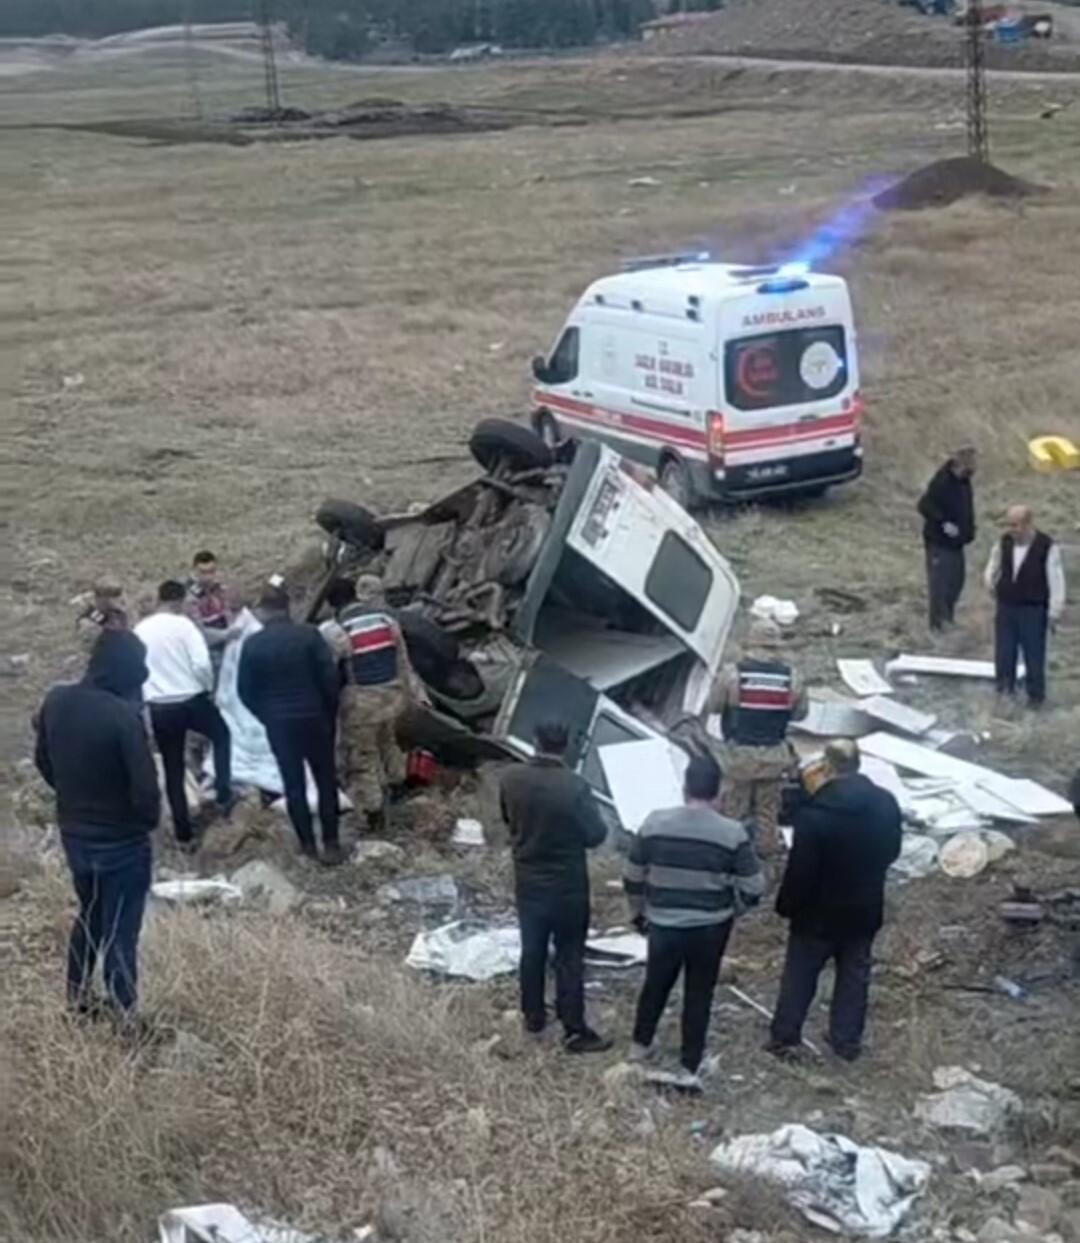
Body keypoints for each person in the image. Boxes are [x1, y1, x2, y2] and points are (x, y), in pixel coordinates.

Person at [34, 631, 160, 1020]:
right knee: (122, 929)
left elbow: (44, 762)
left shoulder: (56, 701)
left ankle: (76, 999)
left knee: (90, 914)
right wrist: (144, 822)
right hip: (121, 840)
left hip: (75, 834)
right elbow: (145, 789)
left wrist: (71, 796)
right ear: (125, 669)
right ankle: (125, 1018)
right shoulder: (124, 717)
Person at [624, 753, 764, 1090]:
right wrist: (735, 910)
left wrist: (638, 912)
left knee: (655, 985)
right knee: (698, 993)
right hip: (710, 926)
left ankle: (639, 1048)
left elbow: (632, 875)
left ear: (684, 787)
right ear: (718, 792)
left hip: (663, 922)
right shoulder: (732, 833)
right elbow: (755, 886)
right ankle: (689, 1063)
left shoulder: (654, 823)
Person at [768, 739, 902, 1063]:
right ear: (858, 764)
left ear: (827, 767)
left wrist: (786, 905)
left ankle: (786, 1036)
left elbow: (800, 871)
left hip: (817, 912)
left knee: (800, 974)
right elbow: (893, 851)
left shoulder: (815, 816)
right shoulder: (885, 803)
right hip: (864, 906)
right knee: (854, 976)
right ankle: (846, 1040)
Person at [499, 720, 612, 1054]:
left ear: (534, 741)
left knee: (532, 949)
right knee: (569, 954)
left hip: (529, 880)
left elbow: (508, 820)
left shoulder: (511, 778)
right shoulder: (574, 786)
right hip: (568, 884)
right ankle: (574, 1028)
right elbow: (596, 836)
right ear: (566, 747)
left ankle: (532, 1016)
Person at [238, 587, 342, 864]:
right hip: (315, 717)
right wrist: (329, 714)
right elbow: (329, 679)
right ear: (288, 608)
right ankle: (331, 844)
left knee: (293, 784)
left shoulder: (253, 644)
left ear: (264, 611)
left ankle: (307, 846)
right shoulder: (309, 635)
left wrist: (268, 715)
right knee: (326, 781)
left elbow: (245, 691)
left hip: (280, 723)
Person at [135, 580, 233, 850]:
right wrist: (206, 686)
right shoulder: (185, 626)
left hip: (160, 706)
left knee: (173, 767)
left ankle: (184, 835)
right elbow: (201, 663)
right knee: (222, 736)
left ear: (159, 598)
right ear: (178, 601)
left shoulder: (141, 629)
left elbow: (137, 668)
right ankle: (224, 796)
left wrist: (149, 695)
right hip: (191, 699)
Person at [709, 618, 807, 855]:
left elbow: (714, 707)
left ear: (750, 643)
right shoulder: (792, 677)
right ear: (777, 645)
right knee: (767, 815)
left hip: (739, 756)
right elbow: (800, 714)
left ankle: (730, 856)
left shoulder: (732, 674)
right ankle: (767, 864)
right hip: (774, 755)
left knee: (733, 813)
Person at [337, 574, 424, 832]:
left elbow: (336, 668)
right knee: (388, 742)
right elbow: (403, 662)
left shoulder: (341, 629)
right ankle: (398, 786)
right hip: (392, 697)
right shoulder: (388, 621)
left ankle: (375, 815)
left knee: (363, 758)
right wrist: (412, 694)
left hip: (362, 704)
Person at [984, 505, 1065, 708]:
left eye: (1016, 525)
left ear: (1028, 523)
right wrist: (990, 583)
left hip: (1033, 609)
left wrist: (1055, 610)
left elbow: (1056, 580)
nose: (1011, 529)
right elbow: (993, 566)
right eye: (1009, 524)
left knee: (1034, 655)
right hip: (1007, 606)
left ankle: (1036, 698)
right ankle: (1004, 692)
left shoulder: (1047, 546)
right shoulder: (1004, 543)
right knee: (1004, 653)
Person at [917, 447, 977, 631]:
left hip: (957, 543)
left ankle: (948, 619)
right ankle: (937, 625)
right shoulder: (942, 482)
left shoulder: (964, 483)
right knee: (940, 585)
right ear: (960, 464)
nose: (974, 469)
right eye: (971, 464)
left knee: (956, 583)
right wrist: (943, 523)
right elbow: (924, 505)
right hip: (939, 543)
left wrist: (968, 530)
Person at [186, 549, 232, 679]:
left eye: (212, 572)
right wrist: (227, 634)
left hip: (225, 643)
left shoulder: (220, 589)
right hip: (205, 649)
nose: (208, 577)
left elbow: (228, 613)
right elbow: (198, 632)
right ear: (194, 571)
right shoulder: (190, 597)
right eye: (203, 572)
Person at [75, 576, 129, 652]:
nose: (119, 599)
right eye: (114, 596)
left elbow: (114, 628)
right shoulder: (89, 622)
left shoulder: (118, 612)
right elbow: (105, 623)